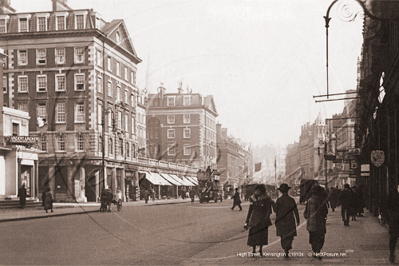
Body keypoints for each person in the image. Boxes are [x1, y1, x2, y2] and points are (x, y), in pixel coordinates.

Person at [245, 184, 275, 255]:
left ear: (262, 191)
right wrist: (247, 219)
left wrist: (266, 217)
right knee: (253, 235)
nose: (257, 191)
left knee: (262, 235)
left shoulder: (266, 199)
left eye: (259, 190)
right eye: (256, 190)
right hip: (254, 220)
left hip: (262, 220)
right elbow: (250, 210)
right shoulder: (253, 199)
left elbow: (268, 210)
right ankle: (254, 249)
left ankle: (261, 249)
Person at [275, 183, 300, 258]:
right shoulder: (291, 200)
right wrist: (298, 219)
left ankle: (285, 248)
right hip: (290, 219)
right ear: (287, 191)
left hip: (281, 219)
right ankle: (288, 246)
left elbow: (276, 210)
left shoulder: (279, 200)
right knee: (290, 234)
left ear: (281, 191)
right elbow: (295, 210)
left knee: (283, 235)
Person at [304, 185, 329, 260]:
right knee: (320, 238)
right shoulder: (322, 201)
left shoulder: (309, 201)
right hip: (320, 223)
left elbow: (305, 213)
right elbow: (326, 211)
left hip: (312, 223)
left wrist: (308, 217)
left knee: (313, 238)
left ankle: (315, 251)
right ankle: (318, 251)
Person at [384, 184, 399, 262]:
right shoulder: (392, 192)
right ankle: (392, 253)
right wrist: (390, 216)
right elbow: (387, 205)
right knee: (393, 237)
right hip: (394, 220)